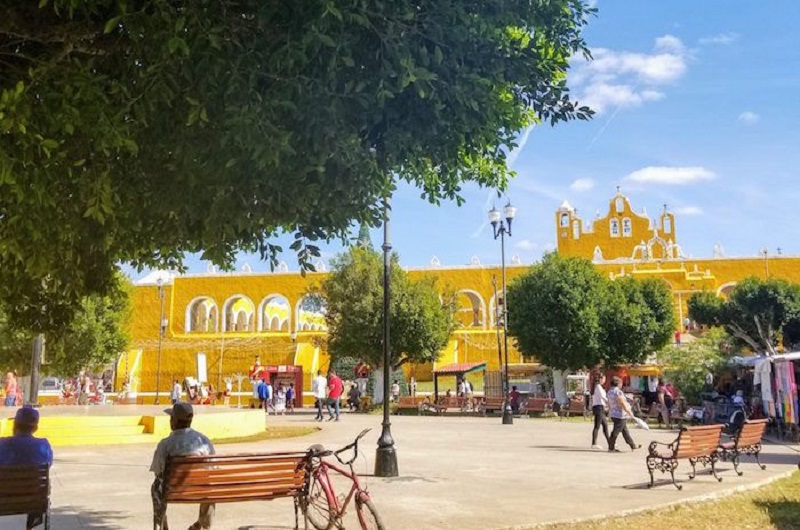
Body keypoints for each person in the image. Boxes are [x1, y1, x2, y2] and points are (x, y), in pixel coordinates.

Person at [151, 403, 215, 530]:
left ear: (174, 421)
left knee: (156, 486)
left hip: (171, 491)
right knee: (210, 484)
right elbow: (212, 468)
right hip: (200, 490)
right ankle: (202, 524)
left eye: (171, 418)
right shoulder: (203, 441)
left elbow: (157, 470)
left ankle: (161, 523)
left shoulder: (165, 444)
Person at [0, 406, 53, 530]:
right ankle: (30, 527)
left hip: (3, 498)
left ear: (15, 425)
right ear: (35, 427)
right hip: (34, 500)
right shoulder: (43, 445)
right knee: (39, 485)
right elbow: (49, 464)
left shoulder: (2, 444)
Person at [607, 376, 641, 453]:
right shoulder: (618, 392)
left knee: (625, 431)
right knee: (615, 432)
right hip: (620, 415)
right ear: (618, 383)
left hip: (613, 413)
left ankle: (633, 445)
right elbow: (622, 403)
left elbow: (609, 403)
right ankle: (611, 447)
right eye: (621, 383)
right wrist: (629, 412)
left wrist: (610, 412)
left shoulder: (609, 392)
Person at [590, 375, 610, 450]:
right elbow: (603, 396)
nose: (605, 380)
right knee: (597, 426)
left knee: (605, 425)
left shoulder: (597, 386)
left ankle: (610, 442)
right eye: (604, 379)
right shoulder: (598, 386)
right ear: (601, 379)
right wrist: (609, 402)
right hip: (599, 407)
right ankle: (594, 443)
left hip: (599, 407)